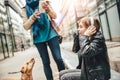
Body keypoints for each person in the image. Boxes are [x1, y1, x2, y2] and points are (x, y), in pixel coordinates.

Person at [22, 0, 65, 80]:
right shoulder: (24, 9)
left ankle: (64, 78)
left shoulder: (44, 1)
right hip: (38, 37)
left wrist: (47, 9)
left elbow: (55, 16)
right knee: (46, 62)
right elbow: (25, 26)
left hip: (51, 33)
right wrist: (33, 17)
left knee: (58, 58)